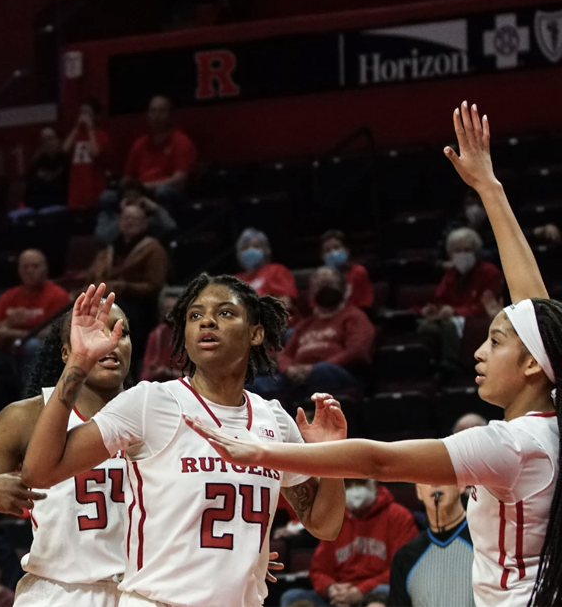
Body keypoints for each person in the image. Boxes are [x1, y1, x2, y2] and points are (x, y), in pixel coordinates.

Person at [184, 102, 562, 607]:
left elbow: (379, 461)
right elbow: (538, 316)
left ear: (534, 363)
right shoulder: (548, 427)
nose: (479, 351)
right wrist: (489, 190)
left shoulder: (512, 445)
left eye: (494, 341)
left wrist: (262, 453)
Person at [22, 281, 346, 607]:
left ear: (256, 334)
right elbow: (40, 472)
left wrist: (333, 457)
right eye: (195, 315)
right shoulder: (150, 402)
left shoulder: (275, 420)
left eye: (225, 312)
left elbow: (324, 525)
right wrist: (78, 362)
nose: (207, 321)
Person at [0, 304, 133, 607]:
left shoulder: (155, 412)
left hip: (139, 593)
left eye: (120, 331)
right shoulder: (23, 419)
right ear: (66, 352)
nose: (109, 340)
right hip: (59, 592)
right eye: (95, 330)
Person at [280, 479, 418, 607]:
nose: (355, 490)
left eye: (359, 483)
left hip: (377, 591)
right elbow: (318, 570)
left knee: (382, 594)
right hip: (340, 596)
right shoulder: (335, 518)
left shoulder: (399, 516)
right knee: (292, 597)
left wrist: (361, 590)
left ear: (373, 482)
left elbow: (401, 569)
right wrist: (330, 588)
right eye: (349, 485)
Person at [256, 267, 375, 397]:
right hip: (299, 375)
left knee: (321, 371)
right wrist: (288, 369)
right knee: (253, 385)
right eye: (320, 286)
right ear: (311, 292)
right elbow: (286, 355)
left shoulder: (354, 316)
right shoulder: (305, 324)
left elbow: (357, 351)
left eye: (329, 284)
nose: (324, 289)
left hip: (340, 372)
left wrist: (315, 367)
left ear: (343, 289)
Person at [85, 204, 168, 366]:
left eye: (134, 218)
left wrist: (124, 286)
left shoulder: (153, 249)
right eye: (125, 218)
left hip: (139, 305)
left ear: (144, 223)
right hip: (107, 299)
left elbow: (154, 284)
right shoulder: (109, 249)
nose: (129, 222)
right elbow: (93, 276)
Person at [418, 227, 505, 373]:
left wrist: (455, 311)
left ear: (476, 252)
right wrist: (434, 310)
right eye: (457, 251)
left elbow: (486, 306)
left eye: (466, 250)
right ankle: (426, 368)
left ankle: (451, 366)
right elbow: (440, 299)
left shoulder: (489, 273)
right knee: (426, 326)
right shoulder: (451, 275)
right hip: (452, 318)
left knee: (448, 326)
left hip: (477, 319)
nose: (462, 255)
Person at [388, 483, 476, 607]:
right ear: (418, 492)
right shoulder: (405, 558)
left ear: (461, 486)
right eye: (426, 478)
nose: (434, 483)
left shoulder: (485, 545)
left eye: (441, 474)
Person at [0, 249, 70, 351]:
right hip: (5, 351)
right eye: (25, 267)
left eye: (35, 266)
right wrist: (8, 323)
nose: (29, 271)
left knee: (32, 346)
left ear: (45, 269)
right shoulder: (9, 295)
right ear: (19, 271)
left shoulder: (58, 295)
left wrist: (11, 334)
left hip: (40, 352)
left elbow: (54, 334)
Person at [123, 95, 197, 210]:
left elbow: (179, 181)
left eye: (162, 111)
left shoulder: (181, 141)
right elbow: (128, 176)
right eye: (153, 111)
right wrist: (127, 188)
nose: (156, 116)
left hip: (169, 194)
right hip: (140, 194)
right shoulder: (139, 144)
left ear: (171, 115)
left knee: (163, 192)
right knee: (107, 198)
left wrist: (144, 187)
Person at [236, 228, 298, 317]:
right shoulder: (235, 280)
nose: (250, 250)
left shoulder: (277, 271)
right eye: (245, 247)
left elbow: (285, 304)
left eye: (256, 246)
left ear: (265, 250)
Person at [64, 98, 111, 209]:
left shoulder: (102, 135)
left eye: (87, 113)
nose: (83, 116)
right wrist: (76, 128)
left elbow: (95, 153)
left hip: (94, 190)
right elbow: (64, 149)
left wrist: (90, 129)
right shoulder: (76, 136)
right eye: (81, 112)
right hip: (76, 192)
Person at [19, 126, 69, 213]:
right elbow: (29, 191)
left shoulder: (66, 162)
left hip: (57, 210)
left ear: (59, 140)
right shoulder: (37, 163)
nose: (47, 142)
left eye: (50, 138)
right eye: (43, 139)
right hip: (34, 211)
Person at [320, 230, 374, 311]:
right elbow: (316, 307)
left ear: (347, 250)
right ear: (322, 257)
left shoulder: (359, 272)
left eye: (336, 248)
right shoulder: (319, 278)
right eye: (327, 250)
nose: (333, 253)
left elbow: (365, 304)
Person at [141, 286, 184, 382]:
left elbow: (201, 376)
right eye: (166, 310)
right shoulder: (158, 334)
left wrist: (169, 372)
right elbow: (146, 375)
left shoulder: (195, 335)